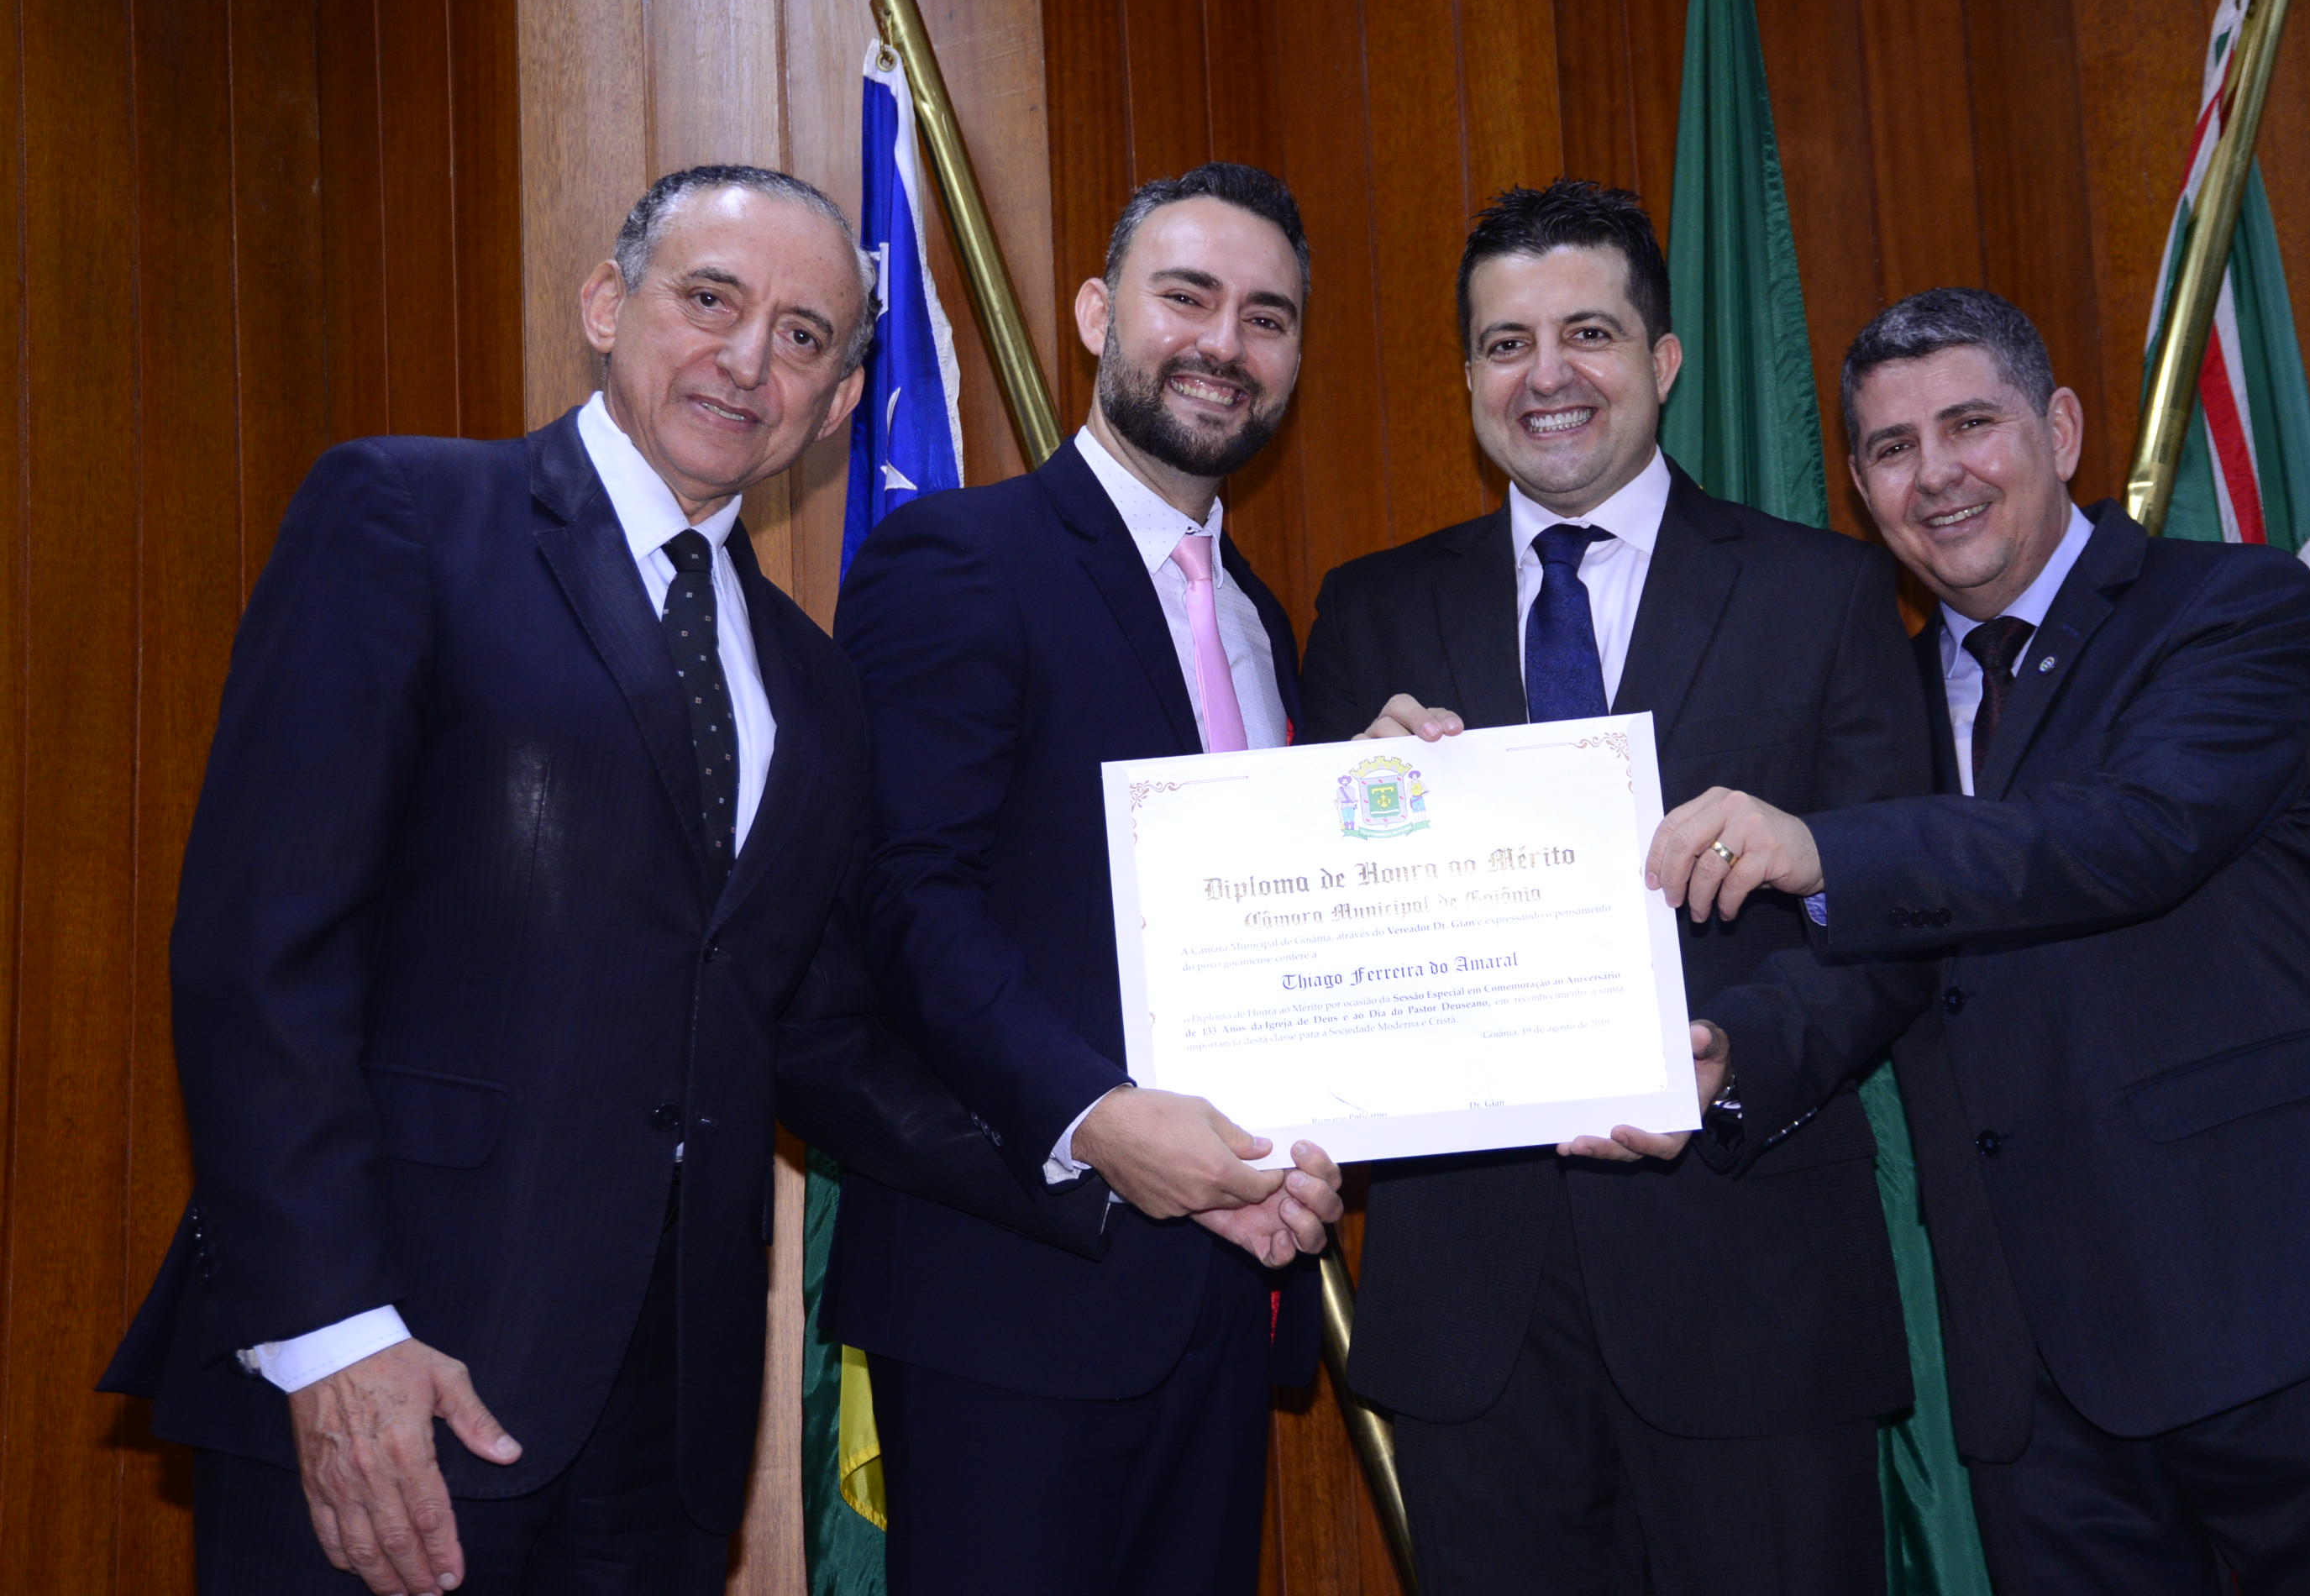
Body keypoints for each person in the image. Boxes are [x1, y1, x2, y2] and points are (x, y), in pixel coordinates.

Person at [99, 164, 1120, 1596]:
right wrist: (333, 1337)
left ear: (838, 404)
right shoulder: (406, 514)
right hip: (398, 1369)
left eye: (804, 336)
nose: (748, 359)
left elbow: (810, 1034)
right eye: (711, 299)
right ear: (604, 304)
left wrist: (1105, 1153)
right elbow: (260, 951)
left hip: (663, 1434)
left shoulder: (814, 685)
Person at [1662, 286, 2310, 1593]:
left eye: (1971, 425)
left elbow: (2132, 834)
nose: (1937, 474)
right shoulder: (1876, 698)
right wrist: (1735, 1052)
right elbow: (1880, 955)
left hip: (2295, 1319)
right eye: (1893, 448)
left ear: (2058, 430)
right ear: (1862, 489)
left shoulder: (2230, 606)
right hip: (2041, 1387)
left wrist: (1830, 850)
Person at [1299, 179, 1924, 1595]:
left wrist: (1738, 1057)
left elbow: (1893, 911)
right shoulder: (1372, 612)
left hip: (1755, 1287)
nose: (1548, 375)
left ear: (1665, 358)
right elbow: (1332, 946)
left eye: (1587, 332)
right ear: (1469, 376)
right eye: (1505, 343)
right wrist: (1348, 815)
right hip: (1474, 1322)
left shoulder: (1822, 595)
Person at [827, 161, 1345, 1596]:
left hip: (1223, 1299)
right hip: (1011, 1297)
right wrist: (1100, 1120)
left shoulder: (1259, 620)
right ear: (1097, 314)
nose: (1225, 344)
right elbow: (904, 898)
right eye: (1188, 297)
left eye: (1267, 317)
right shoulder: (959, 557)